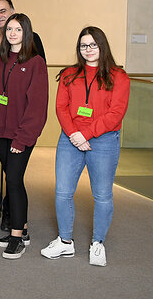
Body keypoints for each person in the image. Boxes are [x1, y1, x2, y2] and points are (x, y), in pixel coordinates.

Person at [41, 26, 129, 267]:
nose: (88, 50)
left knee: (101, 195)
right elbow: (61, 107)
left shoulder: (118, 76)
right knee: (62, 192)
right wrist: (73, 134)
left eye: (93, 45)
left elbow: (116, 113)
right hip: (70, 140)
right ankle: (65, 241)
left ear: (102, 46)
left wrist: (86, 134)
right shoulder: (69, 74)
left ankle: (97, 243)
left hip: (104, 141)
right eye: (83, 45)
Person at [0, 0, 46, 230]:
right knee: (11, 180)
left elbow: (37, 106)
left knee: (14, 180)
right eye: (10, 30)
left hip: (20, 134)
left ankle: (17, 232)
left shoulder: (35, 63)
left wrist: (23, 138)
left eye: (17, 29)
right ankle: (20, 226)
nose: (12, 33)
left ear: (26, 33)